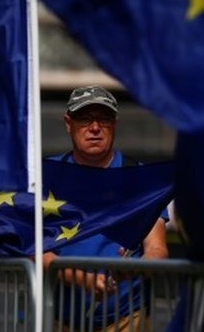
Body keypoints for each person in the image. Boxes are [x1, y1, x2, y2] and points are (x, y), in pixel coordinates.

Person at [43, 85, 168, 332]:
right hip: (59, 321)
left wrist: (135, 269)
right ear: (68, 123)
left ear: (115, 124)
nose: (95, 128)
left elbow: (157, 248)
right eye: (84, 119)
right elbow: (33, 251)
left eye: (104, 119)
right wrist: (83, 279)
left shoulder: (141, 181)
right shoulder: (45, 176)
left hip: (127, 320)